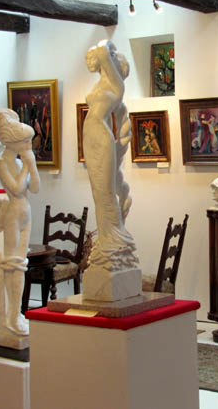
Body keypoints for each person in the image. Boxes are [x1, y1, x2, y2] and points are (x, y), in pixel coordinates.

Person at [83, 39, 138, 272]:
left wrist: (105, 47)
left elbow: (104, 50)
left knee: (105, 190)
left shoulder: (116, 86)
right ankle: (105, 241)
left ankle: (114, 238)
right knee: (97, 192)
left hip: (101, 135)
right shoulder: (101, 83)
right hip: (89, 135)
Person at [0, 108, 40, 339]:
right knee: (13, 264)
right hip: (12, 214)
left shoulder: (21, 163)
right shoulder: (1, 163)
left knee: (21, 264)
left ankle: (17, 313)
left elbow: (35, 188)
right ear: (12, 142)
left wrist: (32, 165)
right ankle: (10, 316)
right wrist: (28, 166)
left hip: (25, 213)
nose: (28, 145)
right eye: (25, 141)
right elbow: (17, 189)